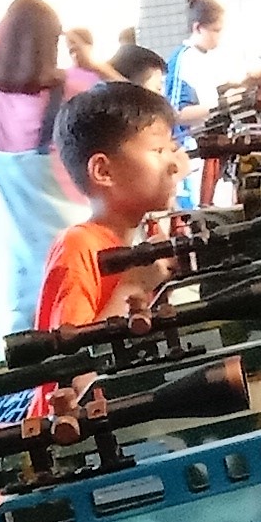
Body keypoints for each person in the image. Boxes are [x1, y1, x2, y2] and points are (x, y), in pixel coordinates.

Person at [0, 0, 91, 341]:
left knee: (24, 363)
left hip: (16, 278)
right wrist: (95, 64)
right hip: (83, 261)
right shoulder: (81, 91)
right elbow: (143, 114)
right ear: (53, 45)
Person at [30, 80, 185, 337]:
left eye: (172, 149)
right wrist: (134, 286)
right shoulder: (79, 248)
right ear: (103, 171)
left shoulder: (149, 232)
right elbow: (73, 357)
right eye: (158, 151)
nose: (174, 165)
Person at [163, 0, 225, 125]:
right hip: (191, 137)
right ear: (197, 28)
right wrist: (223, 105)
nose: (220, 36)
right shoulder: (183, 59)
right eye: (216, 30)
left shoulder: (207, 57)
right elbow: (176, 113)